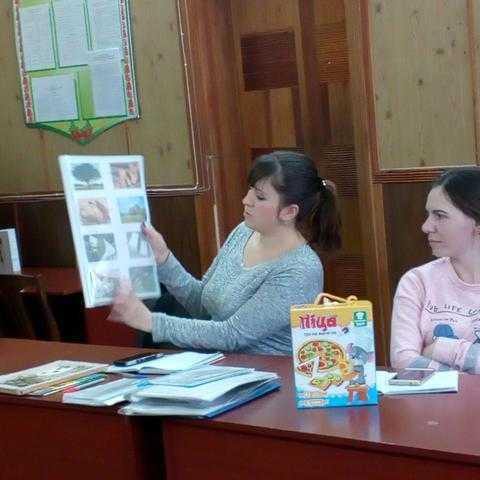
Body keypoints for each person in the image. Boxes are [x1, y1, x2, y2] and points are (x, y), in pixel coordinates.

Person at [108, 151, 341, 355]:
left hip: (268, 379)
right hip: (219, 369)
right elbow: (202, 305)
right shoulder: (243, 232)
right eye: (250, 190)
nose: (246, 200)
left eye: (260, 197)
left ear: (289, 212)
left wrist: (149, 321)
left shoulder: (300, 269)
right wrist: (164, 259)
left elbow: (233, 334)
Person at [390, 167, 480, 373]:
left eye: (440, 215)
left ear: (477, 223)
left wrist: (443, 349)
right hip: (439, 396)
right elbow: (403, 361)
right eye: (429, 215)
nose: (426, 226)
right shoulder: (417, 281)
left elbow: (417, 362)